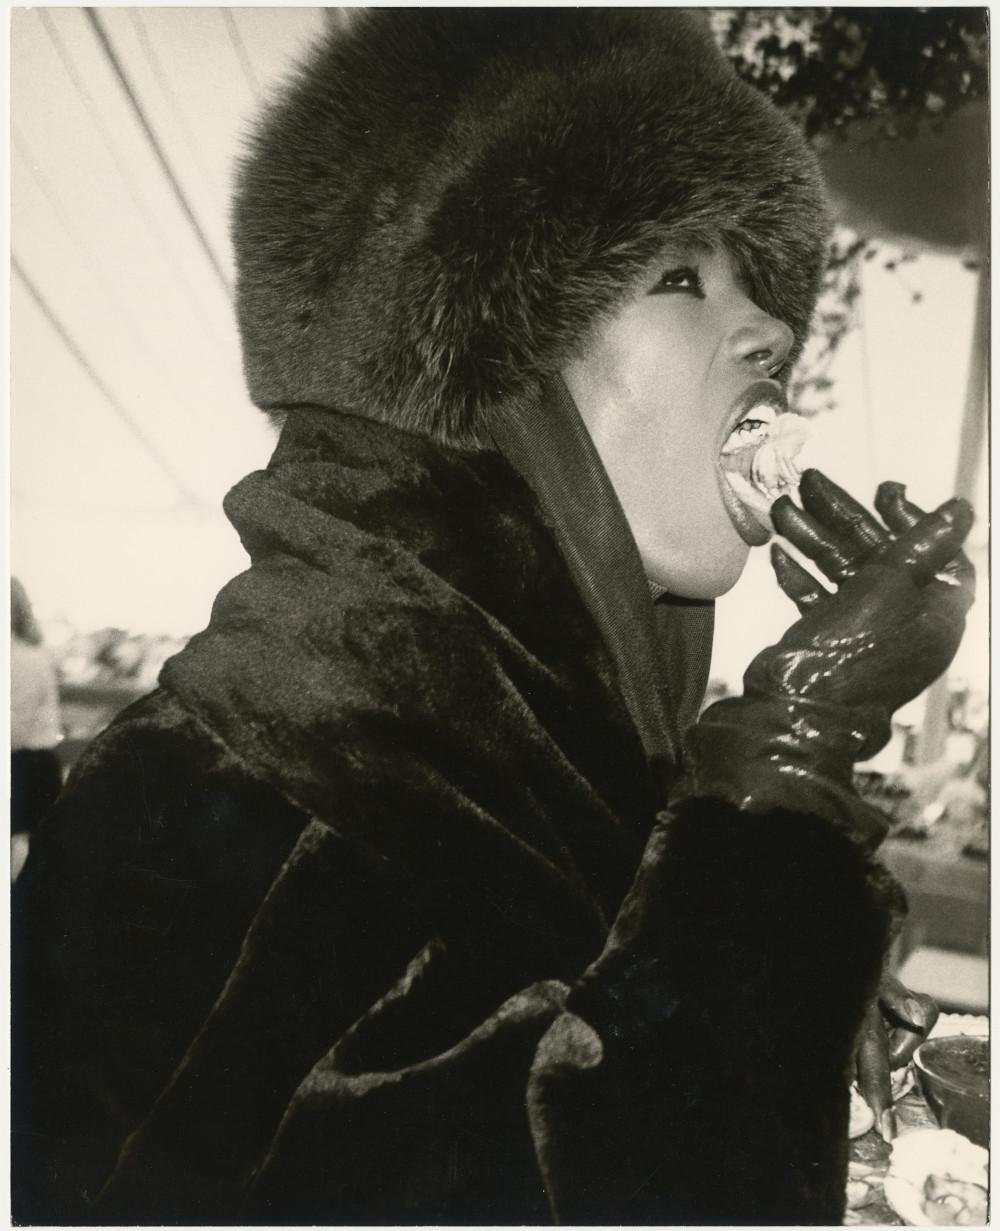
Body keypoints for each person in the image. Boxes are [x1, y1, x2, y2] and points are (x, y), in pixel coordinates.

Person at [11, 11, 973, 1225]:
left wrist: (794, 979)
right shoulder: (260, 785)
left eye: (760, 284)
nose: (777, 331)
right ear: (489, 380)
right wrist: (788, 760)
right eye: (681, 275)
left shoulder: (521, 754)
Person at [10, 578, 63, 875]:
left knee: (22, 851)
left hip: (27, 767)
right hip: (20, 763)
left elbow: (14, 729)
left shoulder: (26, 659)